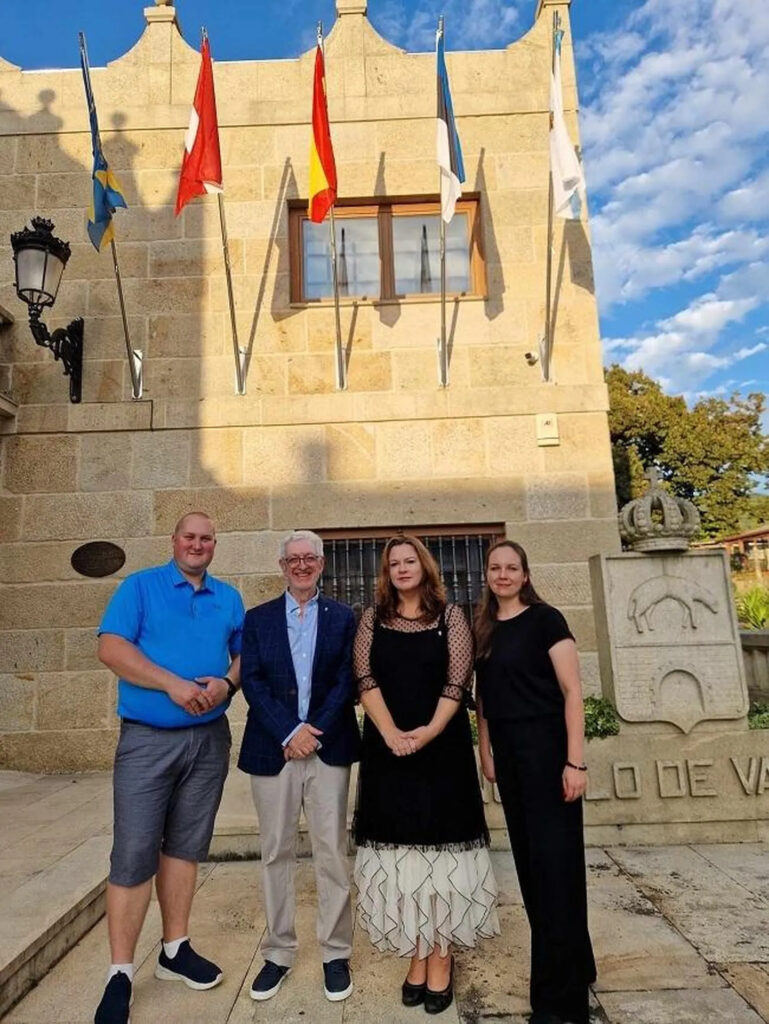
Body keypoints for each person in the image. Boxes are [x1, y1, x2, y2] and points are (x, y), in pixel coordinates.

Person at [93, 511, 245, 1024]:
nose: (197, 545)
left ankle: (174, 950)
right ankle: (120, 972)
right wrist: (172, 684)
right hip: (147, 740)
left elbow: (244, 655)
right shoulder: (140, 588)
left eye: (206, 538)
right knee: (134, 852)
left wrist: (227, 684)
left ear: (214, 545)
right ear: (174, 540)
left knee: (185, 846)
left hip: (208, 740)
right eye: (189, 537)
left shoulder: (228, 598)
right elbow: (110, 648)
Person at [352, 535, 499, 1015]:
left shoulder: (451, 617)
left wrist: (426, 733)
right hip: (388, 750)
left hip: (442, 751)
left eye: (409, 560)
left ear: (424, 566)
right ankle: (417, 949)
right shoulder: (371, 619)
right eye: (393, 562)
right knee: (406, 858)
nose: (401, 568)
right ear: (386, 572)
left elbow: (458, 681)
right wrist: (393, 734)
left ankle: (441, 954)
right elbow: (364, 679)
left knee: (440, 855)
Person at [474, 539, 596, 1024]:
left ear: (525, 575)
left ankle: (560, 1003)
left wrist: (575, 763)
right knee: (531, 870)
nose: (503, 575)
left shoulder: (547, 621)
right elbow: (483, 700)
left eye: (512, 567)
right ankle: (577, 965)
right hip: (510, 761)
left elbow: (572, 692)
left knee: (555, 874)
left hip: (549, 757)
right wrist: (485, 752)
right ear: (487, 575)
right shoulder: (483, 627)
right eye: (495, 568)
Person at [238, 529, 361, 1003]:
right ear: (282, 566)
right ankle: (278, 952)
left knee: (332, 851)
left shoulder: (344, 617)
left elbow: (347, 679)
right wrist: (290, 731)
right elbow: (252, 681)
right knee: (276, 852)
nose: (302, 565)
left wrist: (314, 730)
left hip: (328, 748)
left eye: (310, 558)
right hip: (274, 750)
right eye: (294, 559)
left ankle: (335, 953)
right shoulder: (258, 619)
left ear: (322, 563)